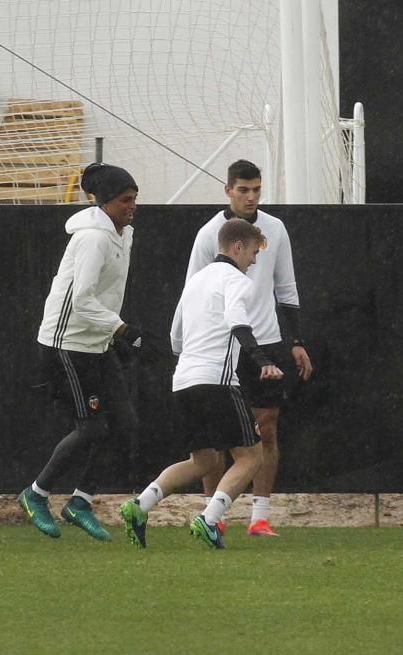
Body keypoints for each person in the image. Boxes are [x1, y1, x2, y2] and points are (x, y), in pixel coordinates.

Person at [118, 219, 282, 549]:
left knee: (203, 462)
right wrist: (262, 360)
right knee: (252, 457)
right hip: (217, 383)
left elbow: (175, 335)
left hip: (184, 381)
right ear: (237, 247)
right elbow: (237, 320)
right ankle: (208, 519)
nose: (254, 260)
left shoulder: (195, 282)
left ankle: (139, 506)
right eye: (252, 252)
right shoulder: (236, 280)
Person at [18, 163, 161, 541]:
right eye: (125, 200)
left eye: (135, 199)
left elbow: (103, 297)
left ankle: (80, 502)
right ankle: (36, 494)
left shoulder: (123, 234)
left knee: (125, 424)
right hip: (66, 345)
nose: (132, 206)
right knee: (92, 427)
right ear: (104, 202)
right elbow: (80, 300)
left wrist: (115, 336)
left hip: (96, 343)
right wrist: (123, 330)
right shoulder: (93, 239)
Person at [182, 159, 312, 537]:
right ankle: (214, 516)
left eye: (256, 189)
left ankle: (260, 515)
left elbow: (286, 290)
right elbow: (194, 292)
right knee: (215, 437)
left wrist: (297, 341)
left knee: (266, 429)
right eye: (243, 189)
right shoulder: (209, 235)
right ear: (227, 190)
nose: (251, 196)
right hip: (223, 346)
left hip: (266, 342)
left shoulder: (276, 229)